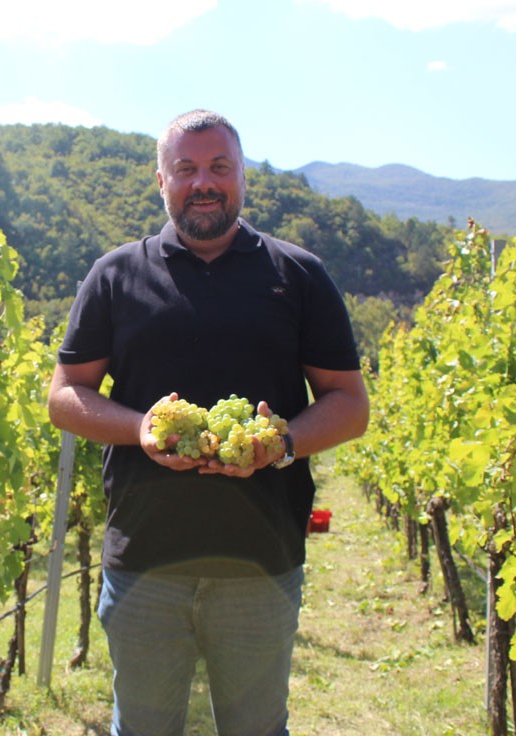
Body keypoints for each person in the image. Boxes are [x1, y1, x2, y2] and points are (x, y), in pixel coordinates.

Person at [47, 109, 370, 736]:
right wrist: (140, 428)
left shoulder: (298, 276)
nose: (204, 181)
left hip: (261, 567)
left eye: (220, 167)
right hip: (144, 565)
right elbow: (65, 396)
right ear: (160, 180)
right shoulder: (117, 275)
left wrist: (283, 442)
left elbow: (350, 403)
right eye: (186, 168)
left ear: (243, 176)